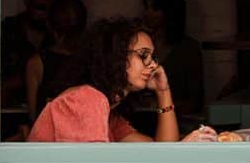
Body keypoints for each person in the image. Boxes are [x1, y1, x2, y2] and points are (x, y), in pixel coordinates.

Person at [26, 17, 217, 143]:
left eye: (153, 58)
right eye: (143, 55)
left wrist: (163, 92)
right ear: (115, 55)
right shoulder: (86, 99)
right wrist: (183, 147)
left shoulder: (109, 116)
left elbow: (159, 154)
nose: (152, 65)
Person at [140, 0, 205, 126]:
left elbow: (196, 101)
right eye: (146, 7)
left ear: (169, 11)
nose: (147, 13)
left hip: (177, 121)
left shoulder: (188, 48)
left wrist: (162, 104)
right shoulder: (141, 46)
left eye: (154, 8)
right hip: (141, 121)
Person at [0, 0, 63, 107]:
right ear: (27, 2)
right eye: (40, 7)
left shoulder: (61, 38)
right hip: (7, 115)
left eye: (52, 10)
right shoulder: (6, 31)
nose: (46, 14)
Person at [25, 0, 88, 119]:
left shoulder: (37, 63)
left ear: (50, 25)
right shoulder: (95, 60)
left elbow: (33, 116)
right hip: (88, 136)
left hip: (50, 136)